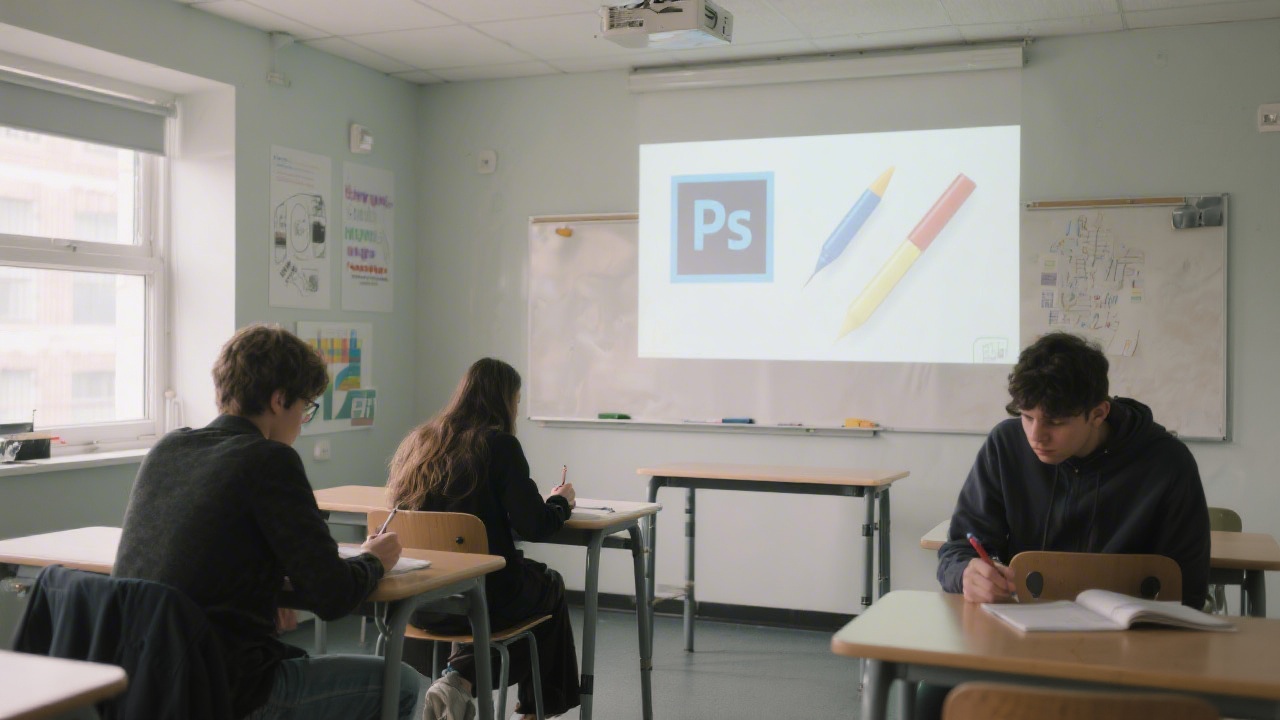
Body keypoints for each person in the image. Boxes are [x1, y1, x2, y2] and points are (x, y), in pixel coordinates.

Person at [115, 323, 422, 720]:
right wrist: (373, 560)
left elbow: (210, 550)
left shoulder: (168, 448)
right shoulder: (269, 460)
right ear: (279, 401)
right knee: (403, 685)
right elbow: (331, 595)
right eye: (305, 407)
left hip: (142, 683)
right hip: (223, 690)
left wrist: (269, 587)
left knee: (291, 657)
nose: (302, 421)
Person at [937, 331, 1211, 609]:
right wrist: (966, 573)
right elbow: (958, 549)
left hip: (1128, 638)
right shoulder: (1005, 446)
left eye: (1055, 423)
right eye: (1027, 417)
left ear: (1098, 414)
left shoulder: (1167, 463)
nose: (1036, 436)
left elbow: (1187, 587)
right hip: (1024, 629)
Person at [388, 357, 580, 720]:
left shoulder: (419, 442)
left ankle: (458, 680)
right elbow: (535, 526)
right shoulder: (500, 446)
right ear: (505, 400)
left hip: (419, 599)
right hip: (484, 600)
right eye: (518, 401)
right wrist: (561, 502)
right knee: (549, 585)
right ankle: (528, 709)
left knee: (499, 589)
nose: (519, 411)